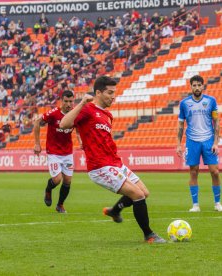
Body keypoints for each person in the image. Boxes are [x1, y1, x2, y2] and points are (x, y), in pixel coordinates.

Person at [59, 76, 165, 244]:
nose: (113, 96)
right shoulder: (87, 109)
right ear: (98, 93)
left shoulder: (107, 114)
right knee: (137, 195)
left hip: (115, 162)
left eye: (114, 92)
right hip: (100, 166)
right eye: (109, 93)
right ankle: (149, 235)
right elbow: (64, 124)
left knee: (144, 192)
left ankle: (115, 211)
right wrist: (81, 103)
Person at [176, 75, 222, 212]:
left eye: (199, 85)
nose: (197, 87)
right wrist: (178, 144)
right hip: (192, 141)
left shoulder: (211, 101)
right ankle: (195, 205)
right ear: (191, 87)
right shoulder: (184, 103)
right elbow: (181, 124)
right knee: (193, 172)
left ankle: (217, 203)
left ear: (203, 86)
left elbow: (216, 122)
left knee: (215, 171)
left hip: (209, 140)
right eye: (194, 85)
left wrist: (216, 142)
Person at [33, 90, 79, 213]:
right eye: (66, 101)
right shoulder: (53, 114)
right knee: (57, 179)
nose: (69, 104)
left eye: (71, 101)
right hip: (53, 152)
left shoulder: (75, 113)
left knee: (68, 180)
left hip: (68, 152)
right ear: (61, 101)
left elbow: (79, 127)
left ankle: (60, 205)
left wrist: (81, 141)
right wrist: (37, 143)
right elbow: (37, 122)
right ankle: (48, 190)